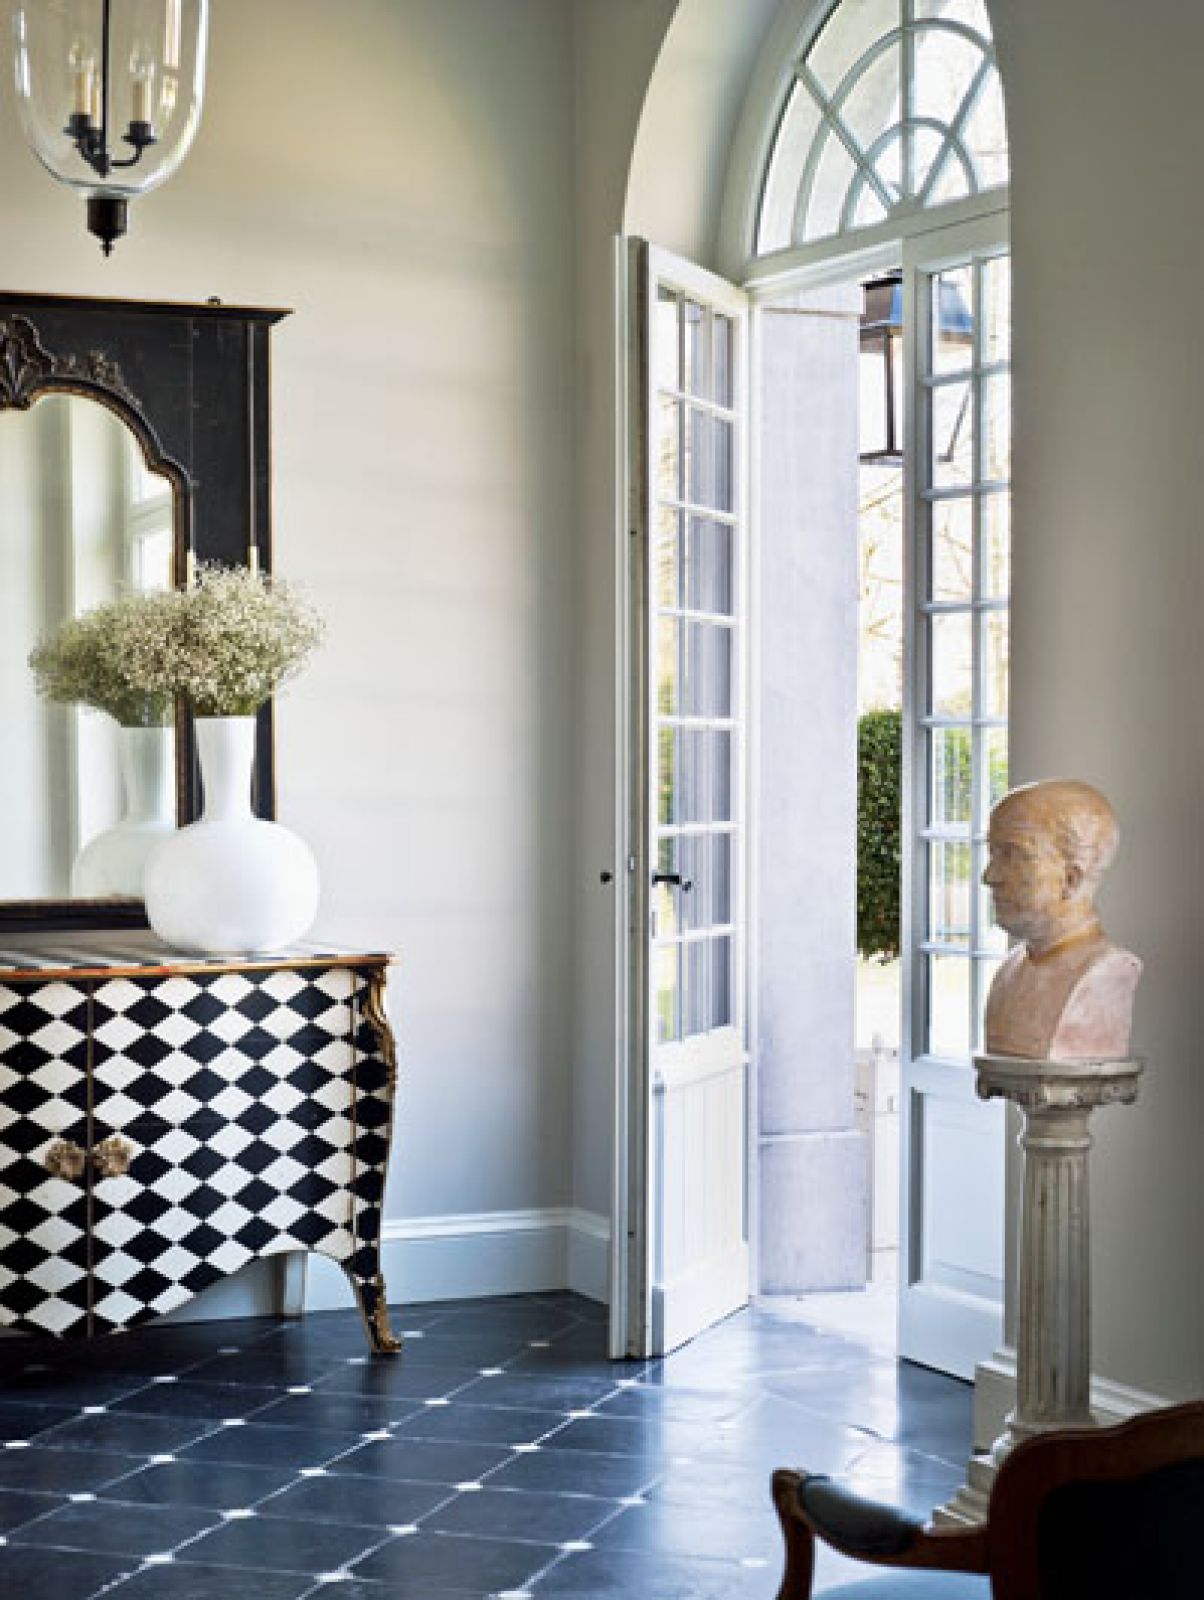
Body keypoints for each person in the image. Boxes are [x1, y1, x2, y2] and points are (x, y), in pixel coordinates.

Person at [982, 779, 1141, 1060]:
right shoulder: (1010, 970)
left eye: (1013, 855)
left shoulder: (1103, 971)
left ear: (1071, 878)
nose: (989, 876)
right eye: (993, 853)